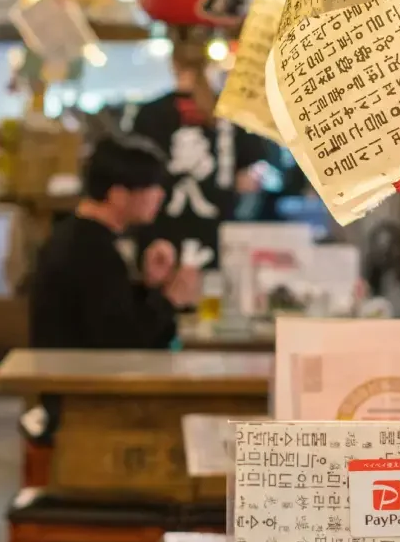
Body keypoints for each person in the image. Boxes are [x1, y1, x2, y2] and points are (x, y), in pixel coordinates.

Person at [29, 135, 200, 350]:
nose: (160, 195)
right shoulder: (90, 250)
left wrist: (147, 286)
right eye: (151, 186)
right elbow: (124, 342)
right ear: (118, 195)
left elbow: (117, 319)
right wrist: (170, 300)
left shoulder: (80, 236)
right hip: (78, 378)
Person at [130, 38, 269, 270]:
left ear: (173, 62)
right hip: (220, 241)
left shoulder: (149, 114)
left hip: (160, 243)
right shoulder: (231, 112)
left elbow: (135, 177)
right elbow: (250, 179)